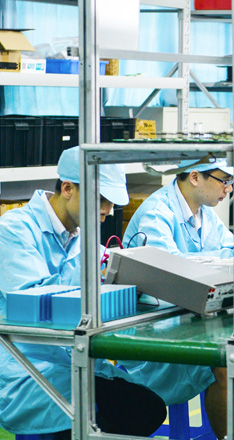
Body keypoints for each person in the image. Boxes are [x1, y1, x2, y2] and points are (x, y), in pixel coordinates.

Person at [0, 147, 167, 436]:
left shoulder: (80, 236)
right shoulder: (13, 230)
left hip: (73, 358)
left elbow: (107, 268)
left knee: (146, 408)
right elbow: (36, 302)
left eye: (111, 202)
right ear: (68, 189)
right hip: (26, 364)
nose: (108, 210)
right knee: (108, 412)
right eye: (101, 199)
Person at [123, 157, 234, 440]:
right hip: (158, 328)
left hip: (196, 319)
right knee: (224, 363)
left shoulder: (204, 214)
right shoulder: (156, 215)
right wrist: (231, 256)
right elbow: (171, 272)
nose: (229, 189)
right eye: (224, 181)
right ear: (195, 177)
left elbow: (231, 247)